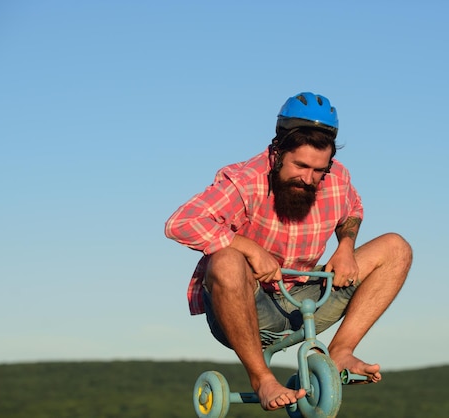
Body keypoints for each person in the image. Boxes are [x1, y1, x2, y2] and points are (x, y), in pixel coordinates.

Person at [164, 92, 412, 411]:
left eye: (318, 169)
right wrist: (248, 248)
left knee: (396, 248)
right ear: (279, 150)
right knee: (224, 259)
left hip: (304, 298)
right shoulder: (245, 179)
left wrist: (346, 247)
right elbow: (180, 222)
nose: (309, 178)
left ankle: (340, 352)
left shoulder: (336, 177)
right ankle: (262, 378)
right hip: (250, 307)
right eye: (301, 166)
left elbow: (353, 208)